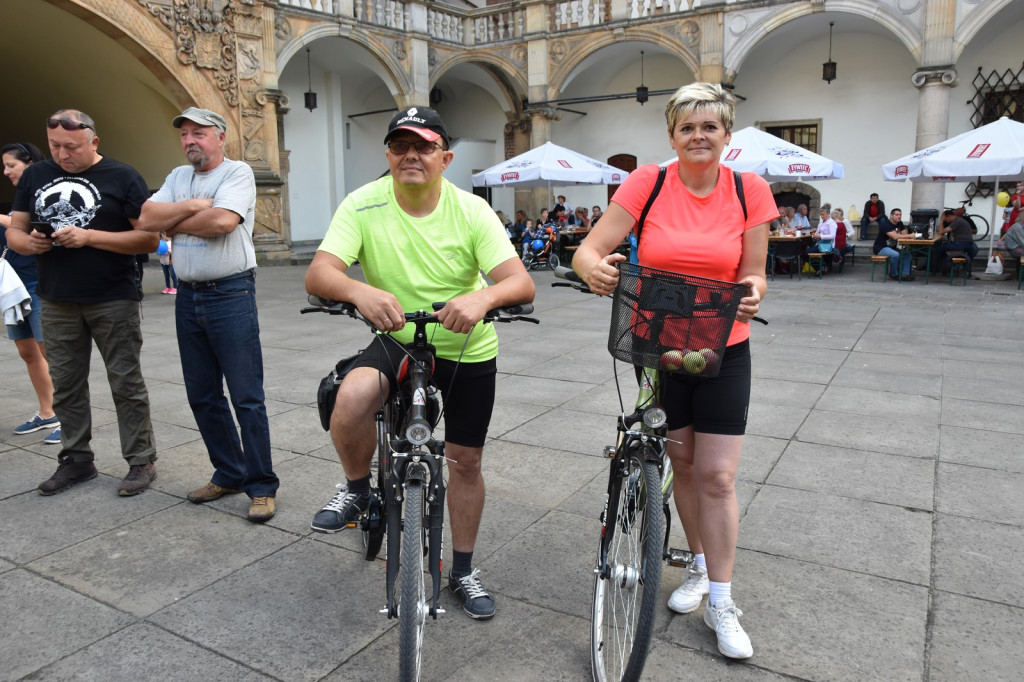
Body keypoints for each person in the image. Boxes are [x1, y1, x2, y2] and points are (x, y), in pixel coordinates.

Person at [304, 106, 534, 619]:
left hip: (465, 345)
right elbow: (320, 273)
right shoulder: (363, 204)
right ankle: (358, 490)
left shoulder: (472, 210)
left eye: (424, 146)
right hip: (397, 338)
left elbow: (520, 282)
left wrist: (482, 300)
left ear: (444, 158)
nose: (411, 154)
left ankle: (464, 569)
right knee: (351, 396)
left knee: (465, 461)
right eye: (400, 145)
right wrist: (359, 290)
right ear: (387, 154)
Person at [572, 82, 775, 660]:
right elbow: (589, 249)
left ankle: (722, 599)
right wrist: (596, 270)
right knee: (681, 464)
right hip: (658, 345)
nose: (698, 136)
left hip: (723, 345)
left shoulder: (749, 189)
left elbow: (755, 272)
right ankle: (699, 565)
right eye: (687, 127)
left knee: (717, 476)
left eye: (710, 126)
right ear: (672, 136)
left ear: (727, 135)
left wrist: (754, 292)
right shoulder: (648, 182)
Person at [6, 109, 159, 496]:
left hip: (112, 296)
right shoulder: (37, 175)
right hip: (56, 297)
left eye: (71, 147)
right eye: (55, 145)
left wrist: (90, 237)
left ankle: (140, 461)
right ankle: (76, 460)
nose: (61, 154)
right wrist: (31, 243)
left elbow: (148, 239)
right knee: (67, 384)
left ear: (93, 142)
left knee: (125, 381)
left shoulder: (123, 177)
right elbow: (16, 234)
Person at [138, 107, 279, 523]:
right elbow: (146, 218)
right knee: (202, 394)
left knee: (246, 398)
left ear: (220, 137)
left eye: (198, 133)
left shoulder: (238, 174)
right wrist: (195, 205)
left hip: (230, 294)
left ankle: (261, 486)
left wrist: (176, 219)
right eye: (184, 135)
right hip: (188, 296)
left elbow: (222, 221)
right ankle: (229, 471)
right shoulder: (178, 178)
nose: (189, 141)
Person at [1, 142, 61, 445]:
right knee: (28, 353)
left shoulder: (45, 191)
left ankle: (70, 415)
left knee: (52, 353)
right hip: (15, 290)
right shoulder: (21, 197)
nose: (6, 171)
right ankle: (47, 412)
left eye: (11, 165)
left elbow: (38, 227)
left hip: (40, 285)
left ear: (29, 163)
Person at [872, 208, 914, 280]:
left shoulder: (899, 223)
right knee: (895, 254)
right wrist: (909, 235)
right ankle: (893, 274)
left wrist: (901, 235)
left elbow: (904, 235)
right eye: (897, 215)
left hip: (892, 247)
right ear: (891, 216)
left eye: (900, 215)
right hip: (881, 248)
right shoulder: (885, 224)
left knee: (907, 254)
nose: (899, 216)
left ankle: (905, 274)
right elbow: (894, 237)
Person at [937, 208, 979, 277]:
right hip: (965, 243)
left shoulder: (957, 222)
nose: (946, 221)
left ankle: (936, 268)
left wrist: (941, 221)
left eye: (945, 218)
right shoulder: (959, 220)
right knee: (942, 248)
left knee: (939, 248)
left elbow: (941, 232)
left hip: (961, 243)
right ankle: (942, 268)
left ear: (949, 216)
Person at [809, 204, 839, 274]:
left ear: (828, 214)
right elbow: (818, 232)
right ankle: (821, 267)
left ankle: (821, 267)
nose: (822, 216)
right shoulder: (821, 222)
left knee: (806, 253)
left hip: (827, 244)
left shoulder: (831, 223)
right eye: (821, 215)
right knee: (807, 251)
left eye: (823, 214)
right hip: (820, 243)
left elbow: (832, 236)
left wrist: (821, 236)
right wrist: (815, 235)